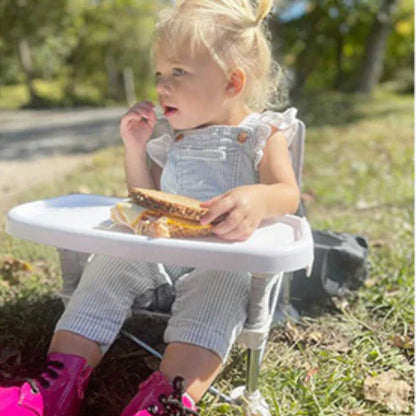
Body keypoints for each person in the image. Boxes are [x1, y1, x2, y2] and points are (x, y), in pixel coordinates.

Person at [0, 0, 301, 415]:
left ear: (232, 83)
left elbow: (288, 192)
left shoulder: (263, 134)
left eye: (179, 72)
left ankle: (168, 399)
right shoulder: (172, 138)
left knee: (219, 291)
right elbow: (144, 200)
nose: (162, 86)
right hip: (159, 256)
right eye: (160, 73)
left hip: (222, 258)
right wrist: (135, 148)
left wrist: (257, 197)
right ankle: (58, 384)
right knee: (106, 265)